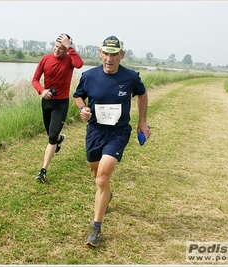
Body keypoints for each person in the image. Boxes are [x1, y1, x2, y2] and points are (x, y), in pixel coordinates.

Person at [73, 35, 151, 247]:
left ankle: (95, 228)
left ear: (122, 55)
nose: (109, 58)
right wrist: (83, 109)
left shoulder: (131, 77)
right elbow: (78, 95)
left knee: (101, 178)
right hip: (95, 132)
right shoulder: (89, 76)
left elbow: (142, 95)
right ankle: (106, 194)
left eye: (114, 54)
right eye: (106, 53)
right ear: (100, 53)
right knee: (96, 173)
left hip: (118, 133)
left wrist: (142, 122)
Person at [32, 33, 83, 184]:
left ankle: (43, 171)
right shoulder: (45, 59)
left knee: (51, 137)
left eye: (61, 48)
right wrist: (42, 91)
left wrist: (70, 48)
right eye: (55, 47)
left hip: (61, 103)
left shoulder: (69, 59)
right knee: (51, 135)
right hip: (47, 101)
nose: (57, 50)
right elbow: (35, 80)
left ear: (66, 49)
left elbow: (79, 64)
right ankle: (60, 139)